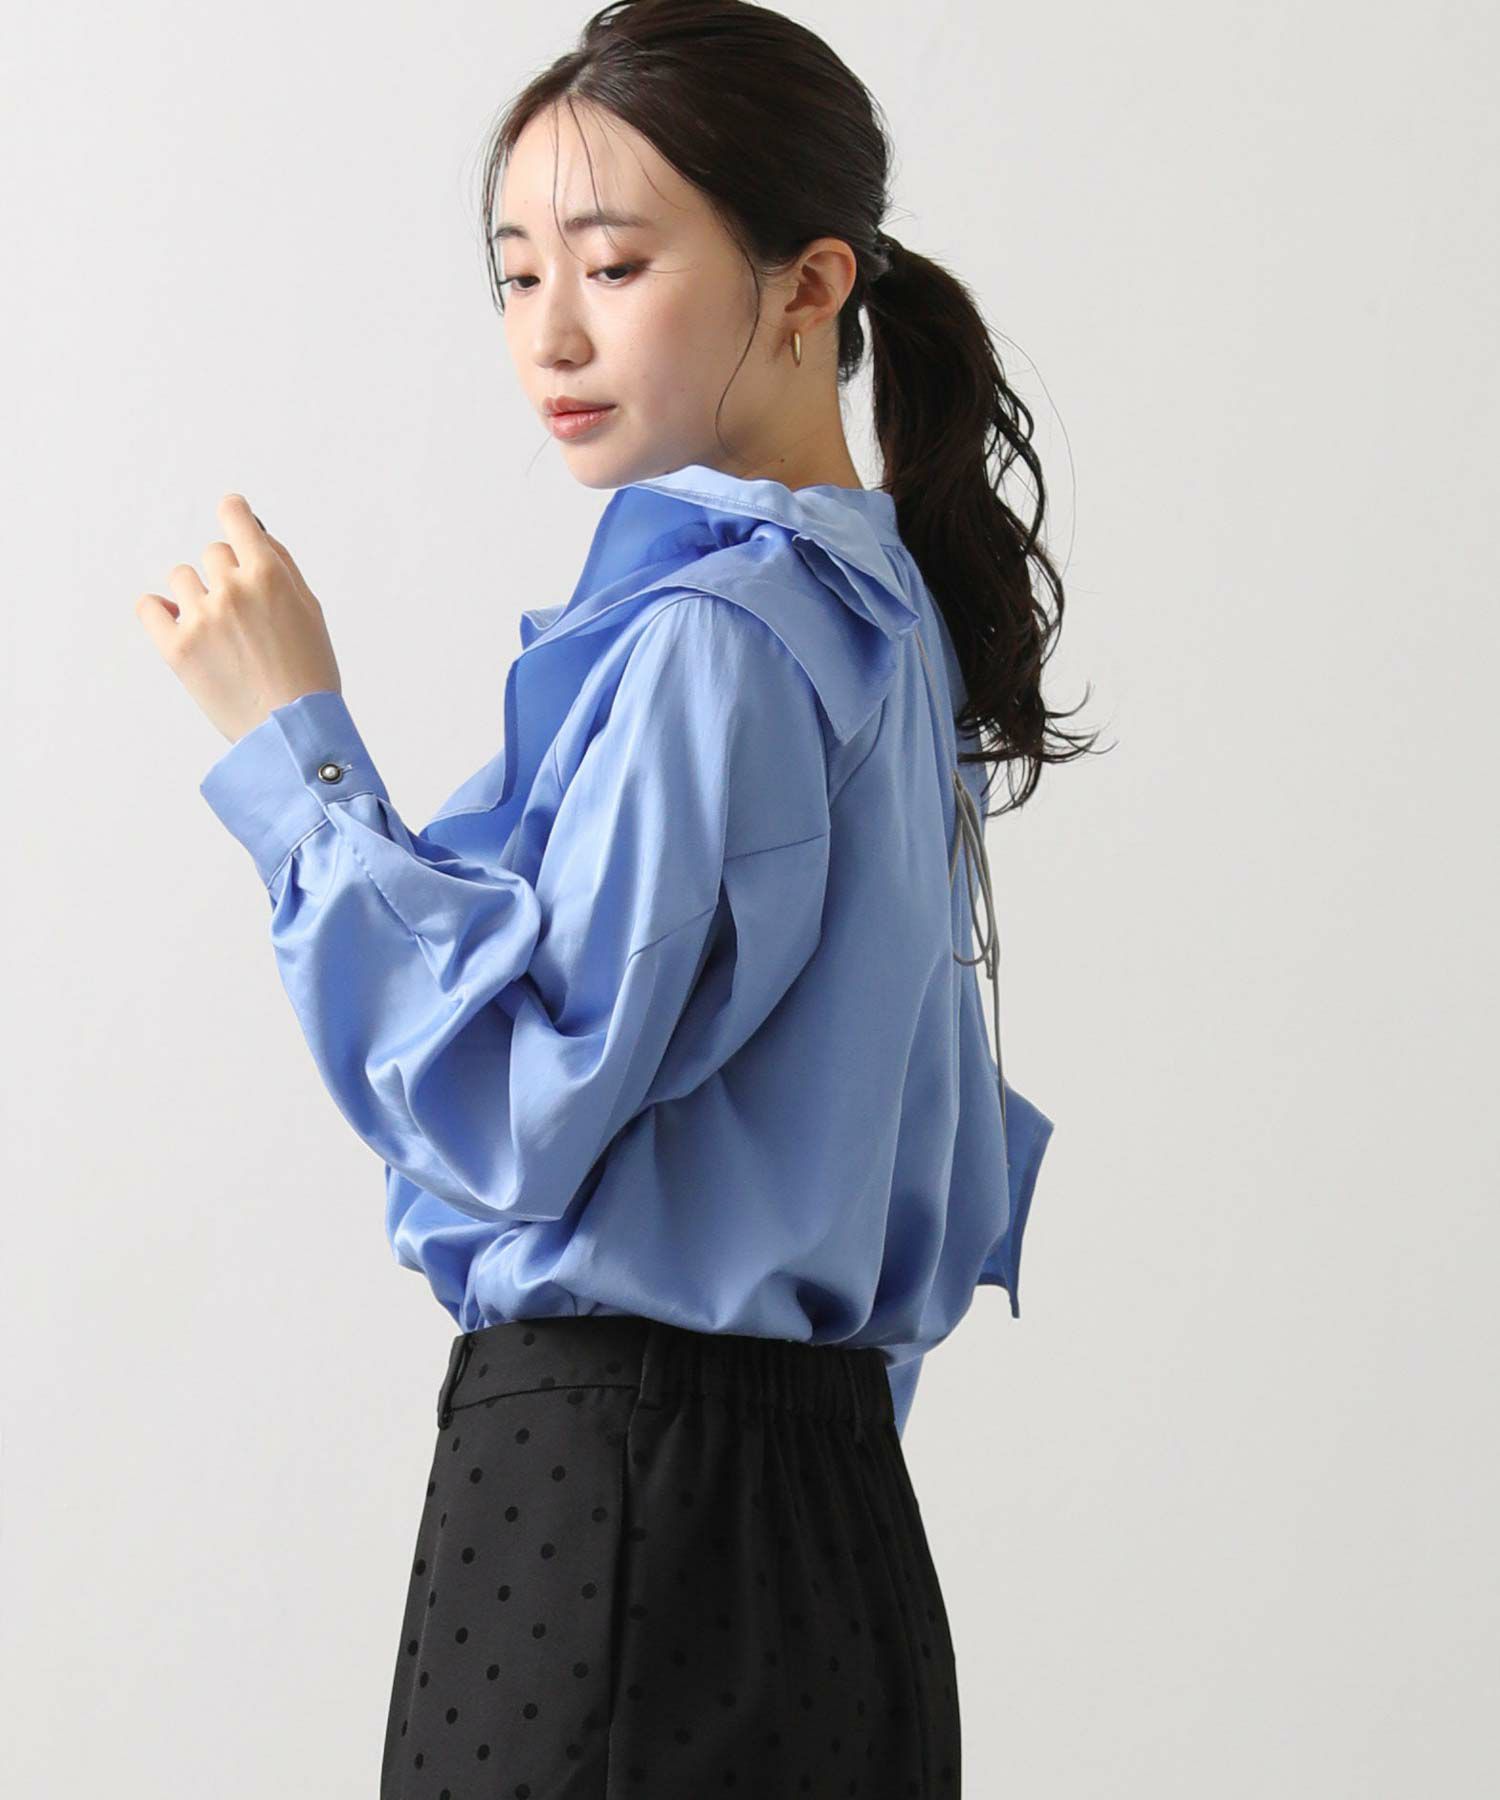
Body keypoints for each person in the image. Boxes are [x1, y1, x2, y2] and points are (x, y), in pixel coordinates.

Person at [136, 3, 1098, 1792]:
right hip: (834, 1533)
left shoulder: (715, 642)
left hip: (619, 1505)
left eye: (615, 262)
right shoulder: (886, 636)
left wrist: (299, 757)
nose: (550, 333)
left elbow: (514, 1104)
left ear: (811, 285)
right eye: (517, 276)